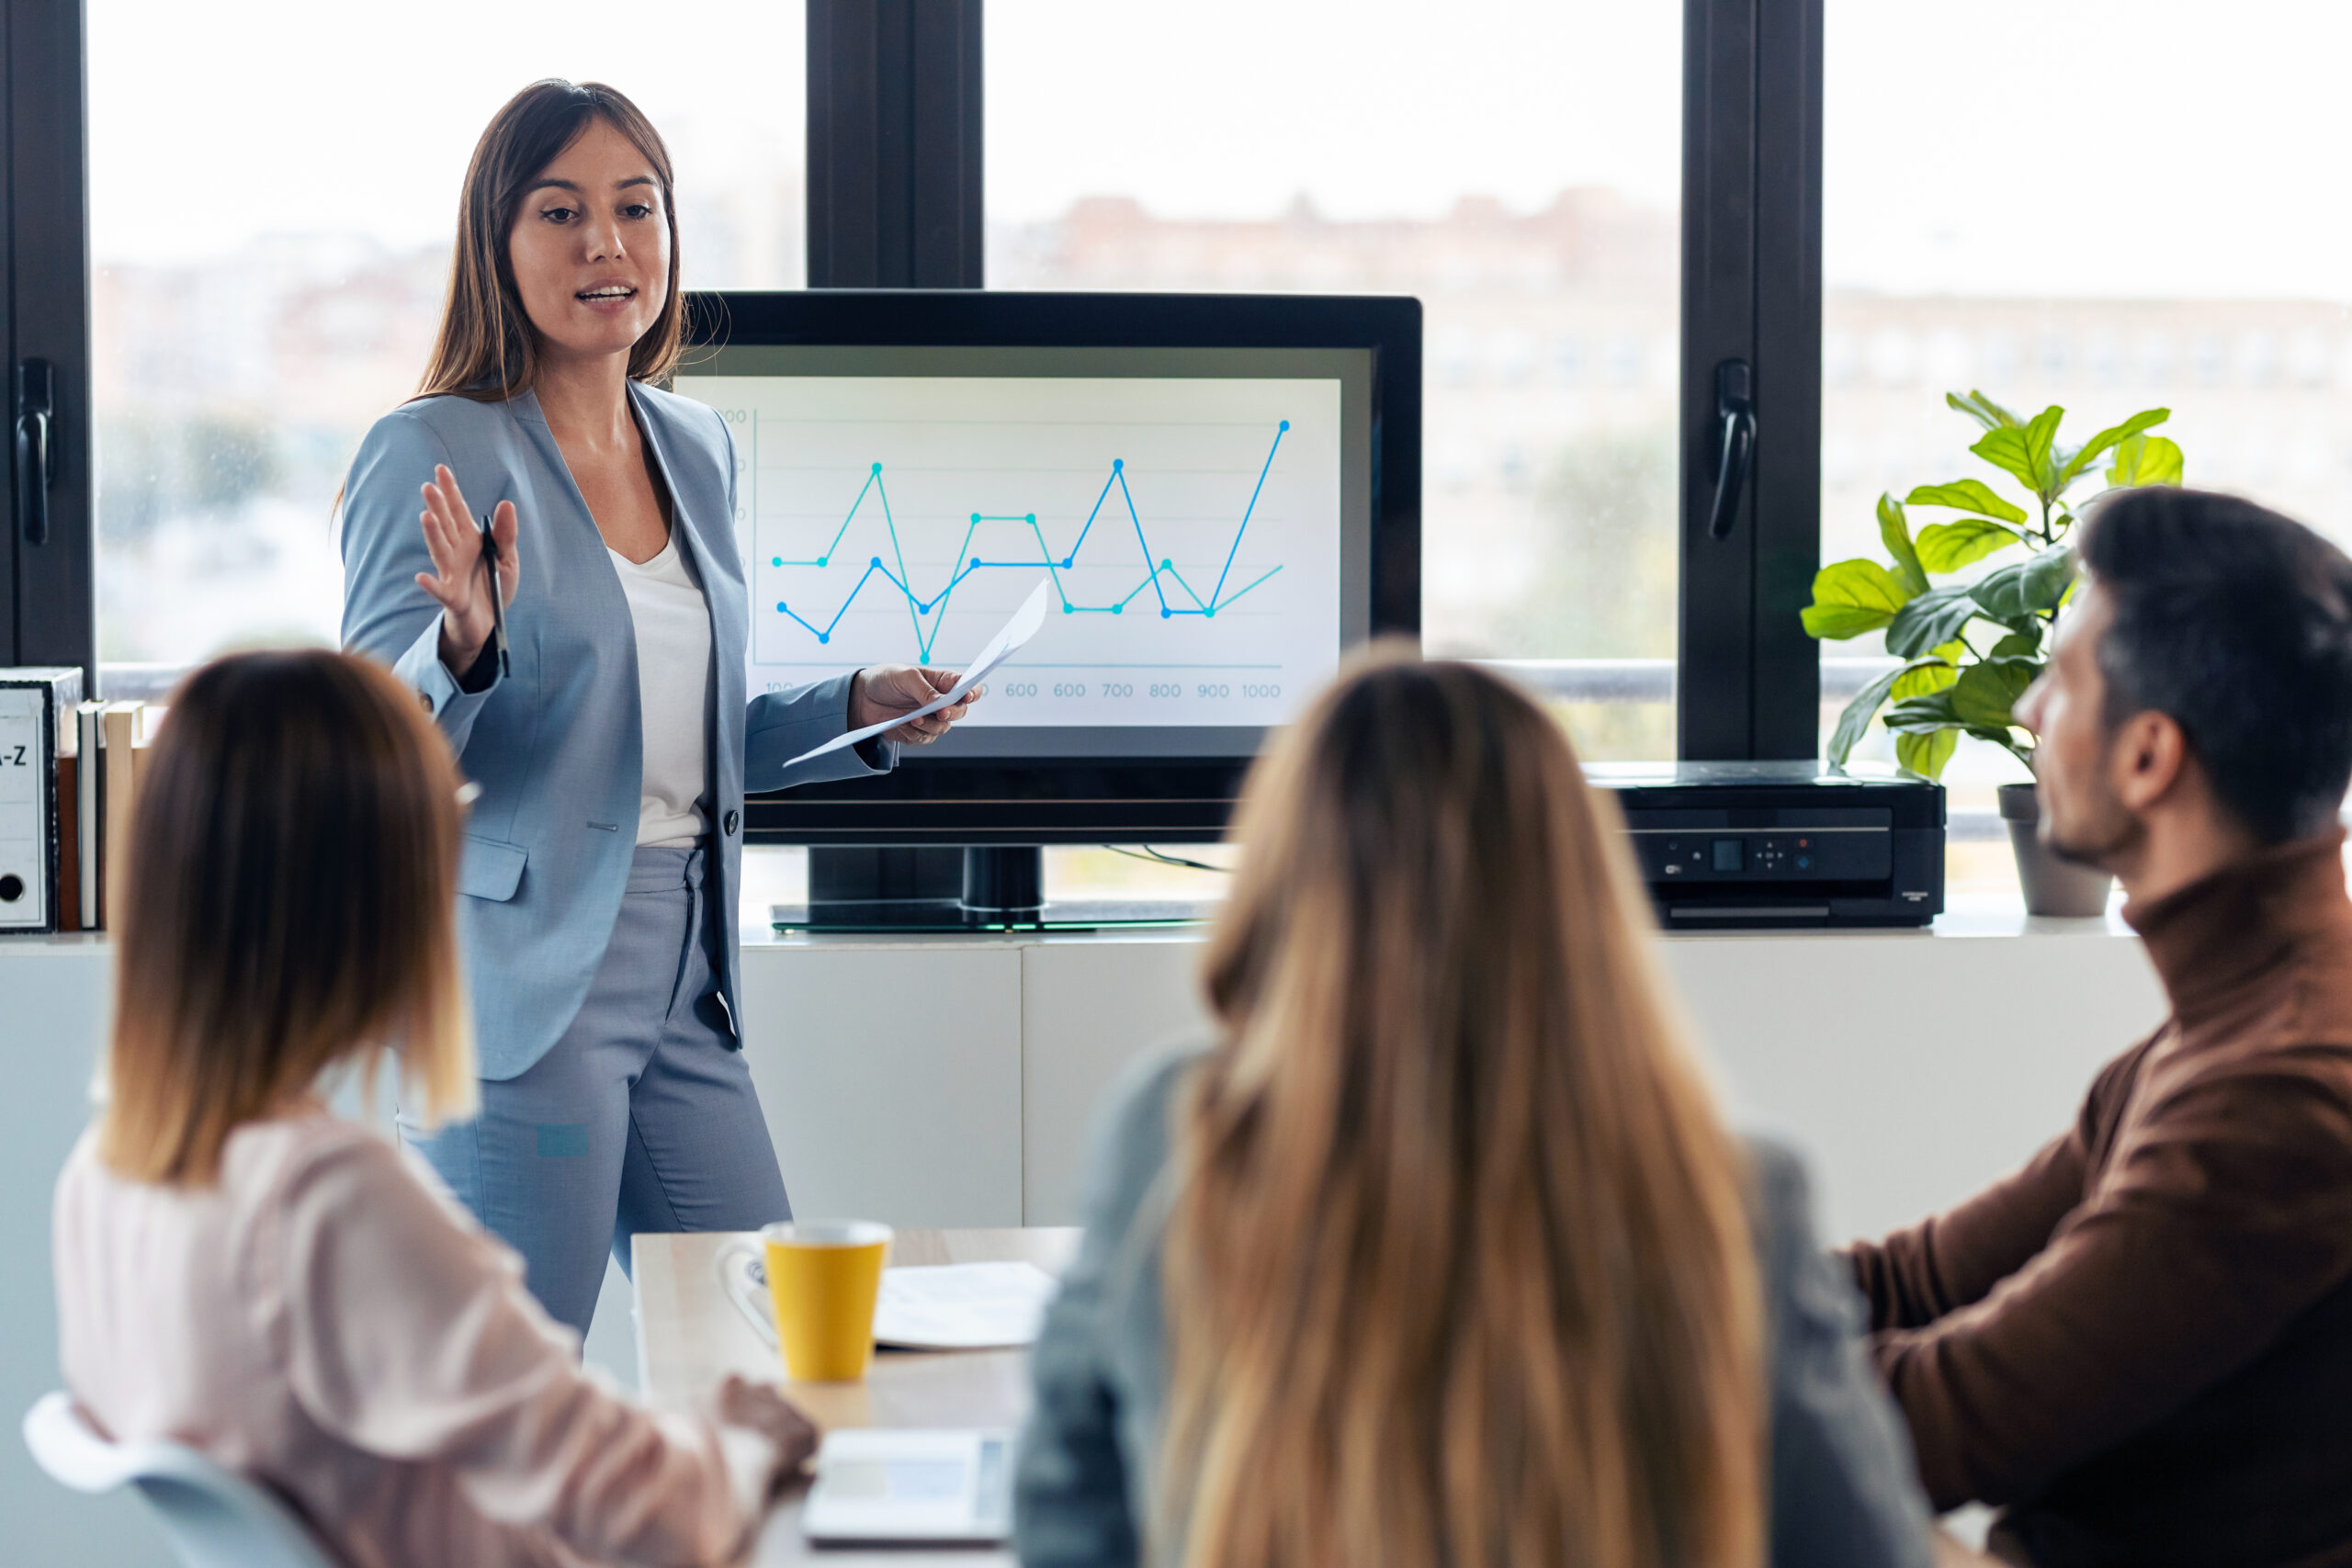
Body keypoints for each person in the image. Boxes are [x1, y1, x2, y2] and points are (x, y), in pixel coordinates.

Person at [1014, 650, 1933, 1568]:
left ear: (1284, 881)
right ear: (1581, 887)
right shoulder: (1731, 1192)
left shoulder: (1174, 1134)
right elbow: (1864, 1549)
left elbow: (1067, 1521)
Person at [339, 79, 979, 1337]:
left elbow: (672, 734)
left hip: (692, 978)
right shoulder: (432, 449)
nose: (606, 245)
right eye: (560, 212)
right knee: (511, 1395)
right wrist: (466, 647)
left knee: (772, 1344)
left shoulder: (694, 445)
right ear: (496, 244)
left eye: (637, 207)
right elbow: (364, 758)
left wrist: (855, 707)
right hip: (524, 990)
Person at [52, 649, 820, 1568]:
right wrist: (742, 1442)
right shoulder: (326, 1198)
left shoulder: (105, 1176)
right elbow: (650, 1515)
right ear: (366, 892)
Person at [1844, 487, 2352, 1567]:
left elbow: (1927, 1427)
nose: (2027, 711)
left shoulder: (2284, 1095)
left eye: (2060, 678)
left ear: (2146, 757)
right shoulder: (2226, 1035)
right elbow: (1915, 1281)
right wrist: (1640, 1274)